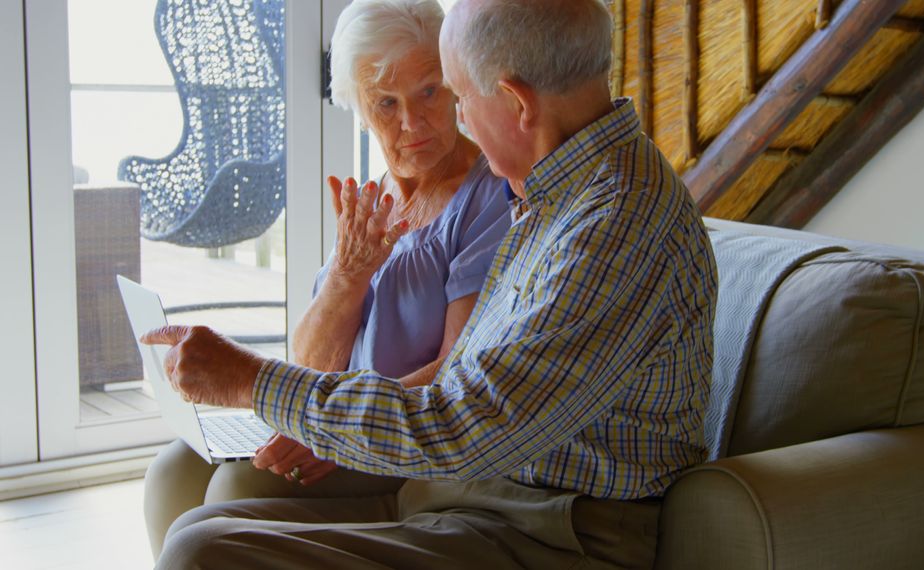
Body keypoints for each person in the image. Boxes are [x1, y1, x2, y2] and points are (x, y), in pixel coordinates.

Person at [148, 0, 718, 567]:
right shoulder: (554, 194)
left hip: (548, 526)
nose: (456, 121)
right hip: (467, 492)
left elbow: (462, 424)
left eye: (456, 96)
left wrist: (253, 380)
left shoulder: (614, 224)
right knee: (198, 518)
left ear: (515, 102)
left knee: (204, 549)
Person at [141, 0, 511, 559]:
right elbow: (311, 363)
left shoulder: (489, 195)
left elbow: (459, 370)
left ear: (456, 85)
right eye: (386, 103)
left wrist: (341, 428)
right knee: (171, 470)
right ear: (358, 110)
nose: (412, 123)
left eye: (430, 92)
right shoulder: (372, 199)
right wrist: (347, 275)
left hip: (396, 436)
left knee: (236, 485)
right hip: (329, 414)